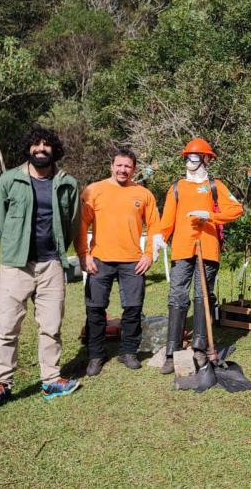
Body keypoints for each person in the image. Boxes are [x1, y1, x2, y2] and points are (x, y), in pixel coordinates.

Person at [0, 126, 81, 408]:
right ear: (28, 148)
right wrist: (15, 244)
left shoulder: (67, 183)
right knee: (7, 326)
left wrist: (57, 250)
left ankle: (51, 381)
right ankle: (1, 385)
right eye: (36, 144)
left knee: (51, 326)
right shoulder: (10, 179)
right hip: (16, 266)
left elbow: (73, 223)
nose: (41, 149)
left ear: (54, 150)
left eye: (46, 145)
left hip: (51, 266)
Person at [152, 138, 243, 374]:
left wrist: (210, 215)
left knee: (203, 295)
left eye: (194, 157)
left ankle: (200, 348)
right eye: (187, 157)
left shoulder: (215, 186)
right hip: (182, 248)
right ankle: (172, 351)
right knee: (177, 296)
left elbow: (236, 209)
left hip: (208, 248)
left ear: (205, 159)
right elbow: (167, 219)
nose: (189, 162)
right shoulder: (177, 187)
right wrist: (160, 237)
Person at [75, 148, 161, 376]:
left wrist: (149, 254)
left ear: (134, 169)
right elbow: (80, 225)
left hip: (133, 262)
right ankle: (96, 355)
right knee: (95, 309)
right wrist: (83, 254)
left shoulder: (144, 194)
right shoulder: (94, 190)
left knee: (133, 308)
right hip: (100, 260)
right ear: (111, 166)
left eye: (128, 166)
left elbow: (155, 226)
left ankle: (128, 351)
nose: (123, 170)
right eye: (119, 165)